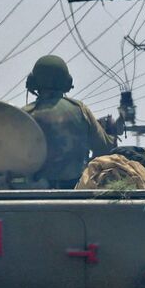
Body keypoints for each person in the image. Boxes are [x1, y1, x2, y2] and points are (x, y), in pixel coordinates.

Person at [22, 54, 115, 188]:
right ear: (67, 82)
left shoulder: (23, 115)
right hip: (74, 193)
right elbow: (104, 148)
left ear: (32, 82)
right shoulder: (80, 110)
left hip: (32, 195)